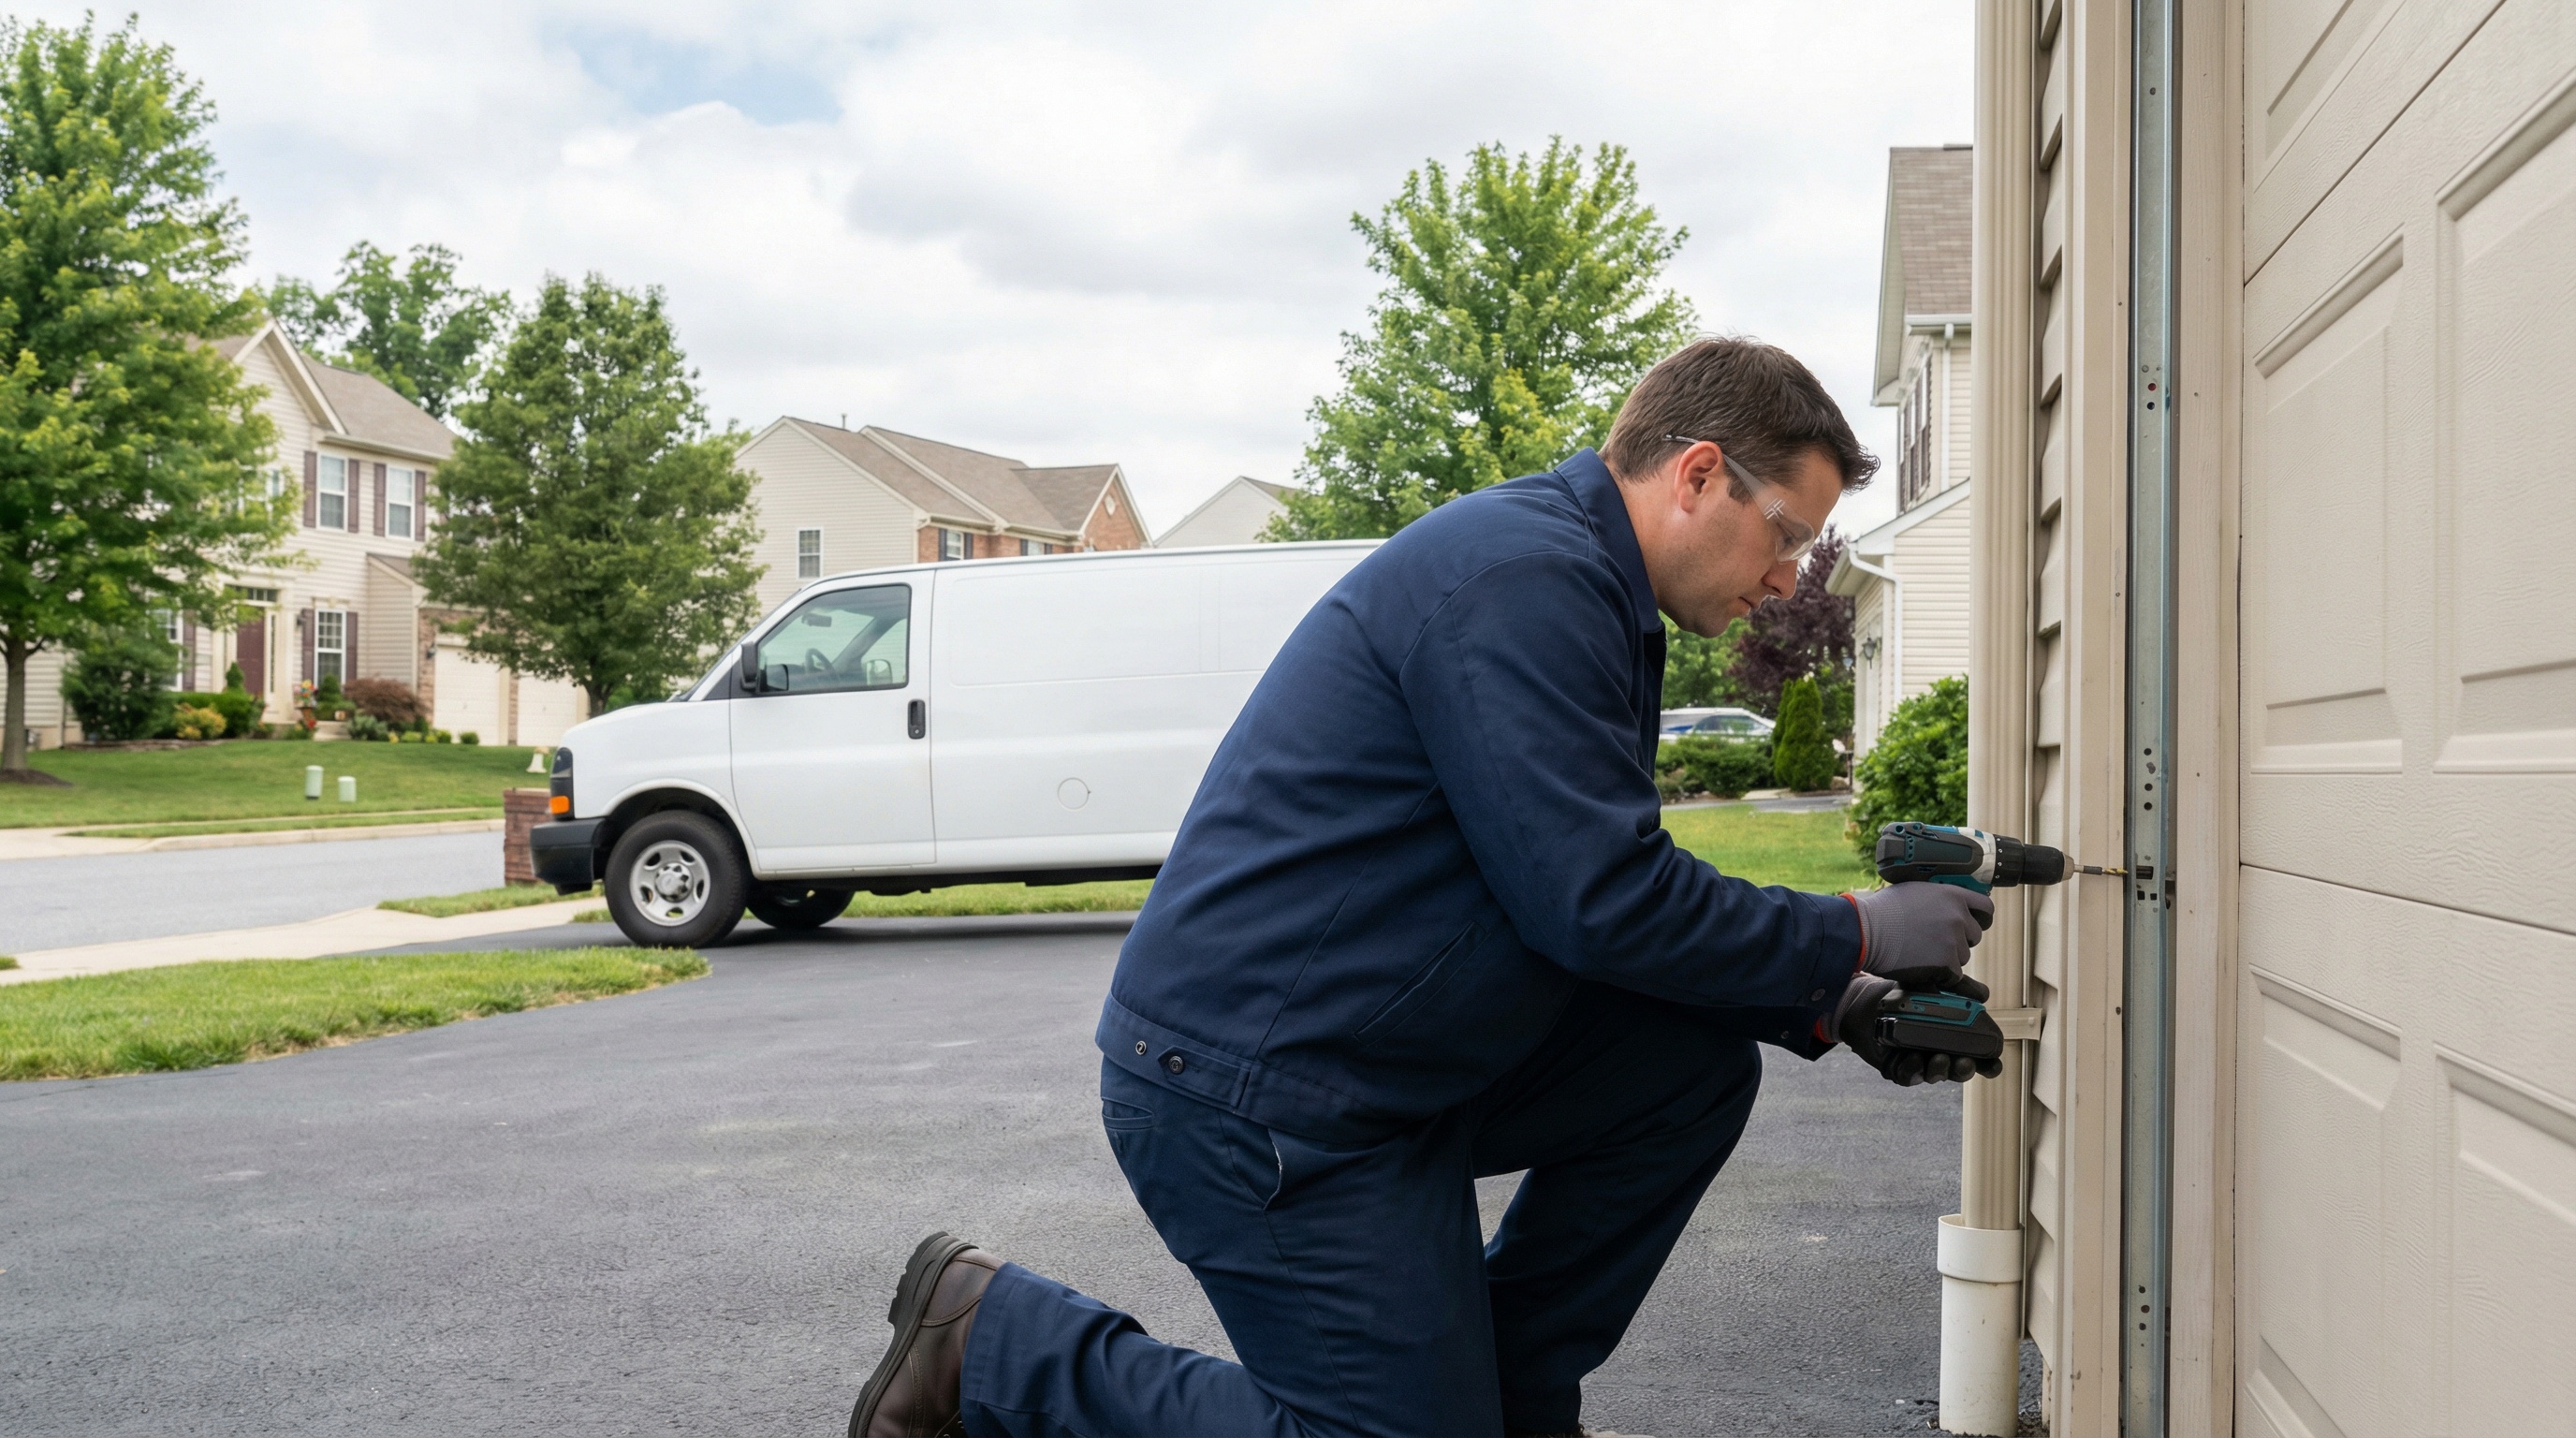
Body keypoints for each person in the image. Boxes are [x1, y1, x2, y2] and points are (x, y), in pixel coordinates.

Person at [847, 338, 1997, 1438]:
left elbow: (1565, 901)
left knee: (1680, 1076)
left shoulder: (1580, 579)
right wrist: (1850, 935)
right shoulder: (1526, 580)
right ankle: (990, 1343)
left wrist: (1818, 1001)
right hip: (1259, 1092)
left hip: (1385, 1061)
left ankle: (1511, 1405)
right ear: (1700, 474)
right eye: (1788, 534)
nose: (1791, 579)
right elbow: (1596, 898)